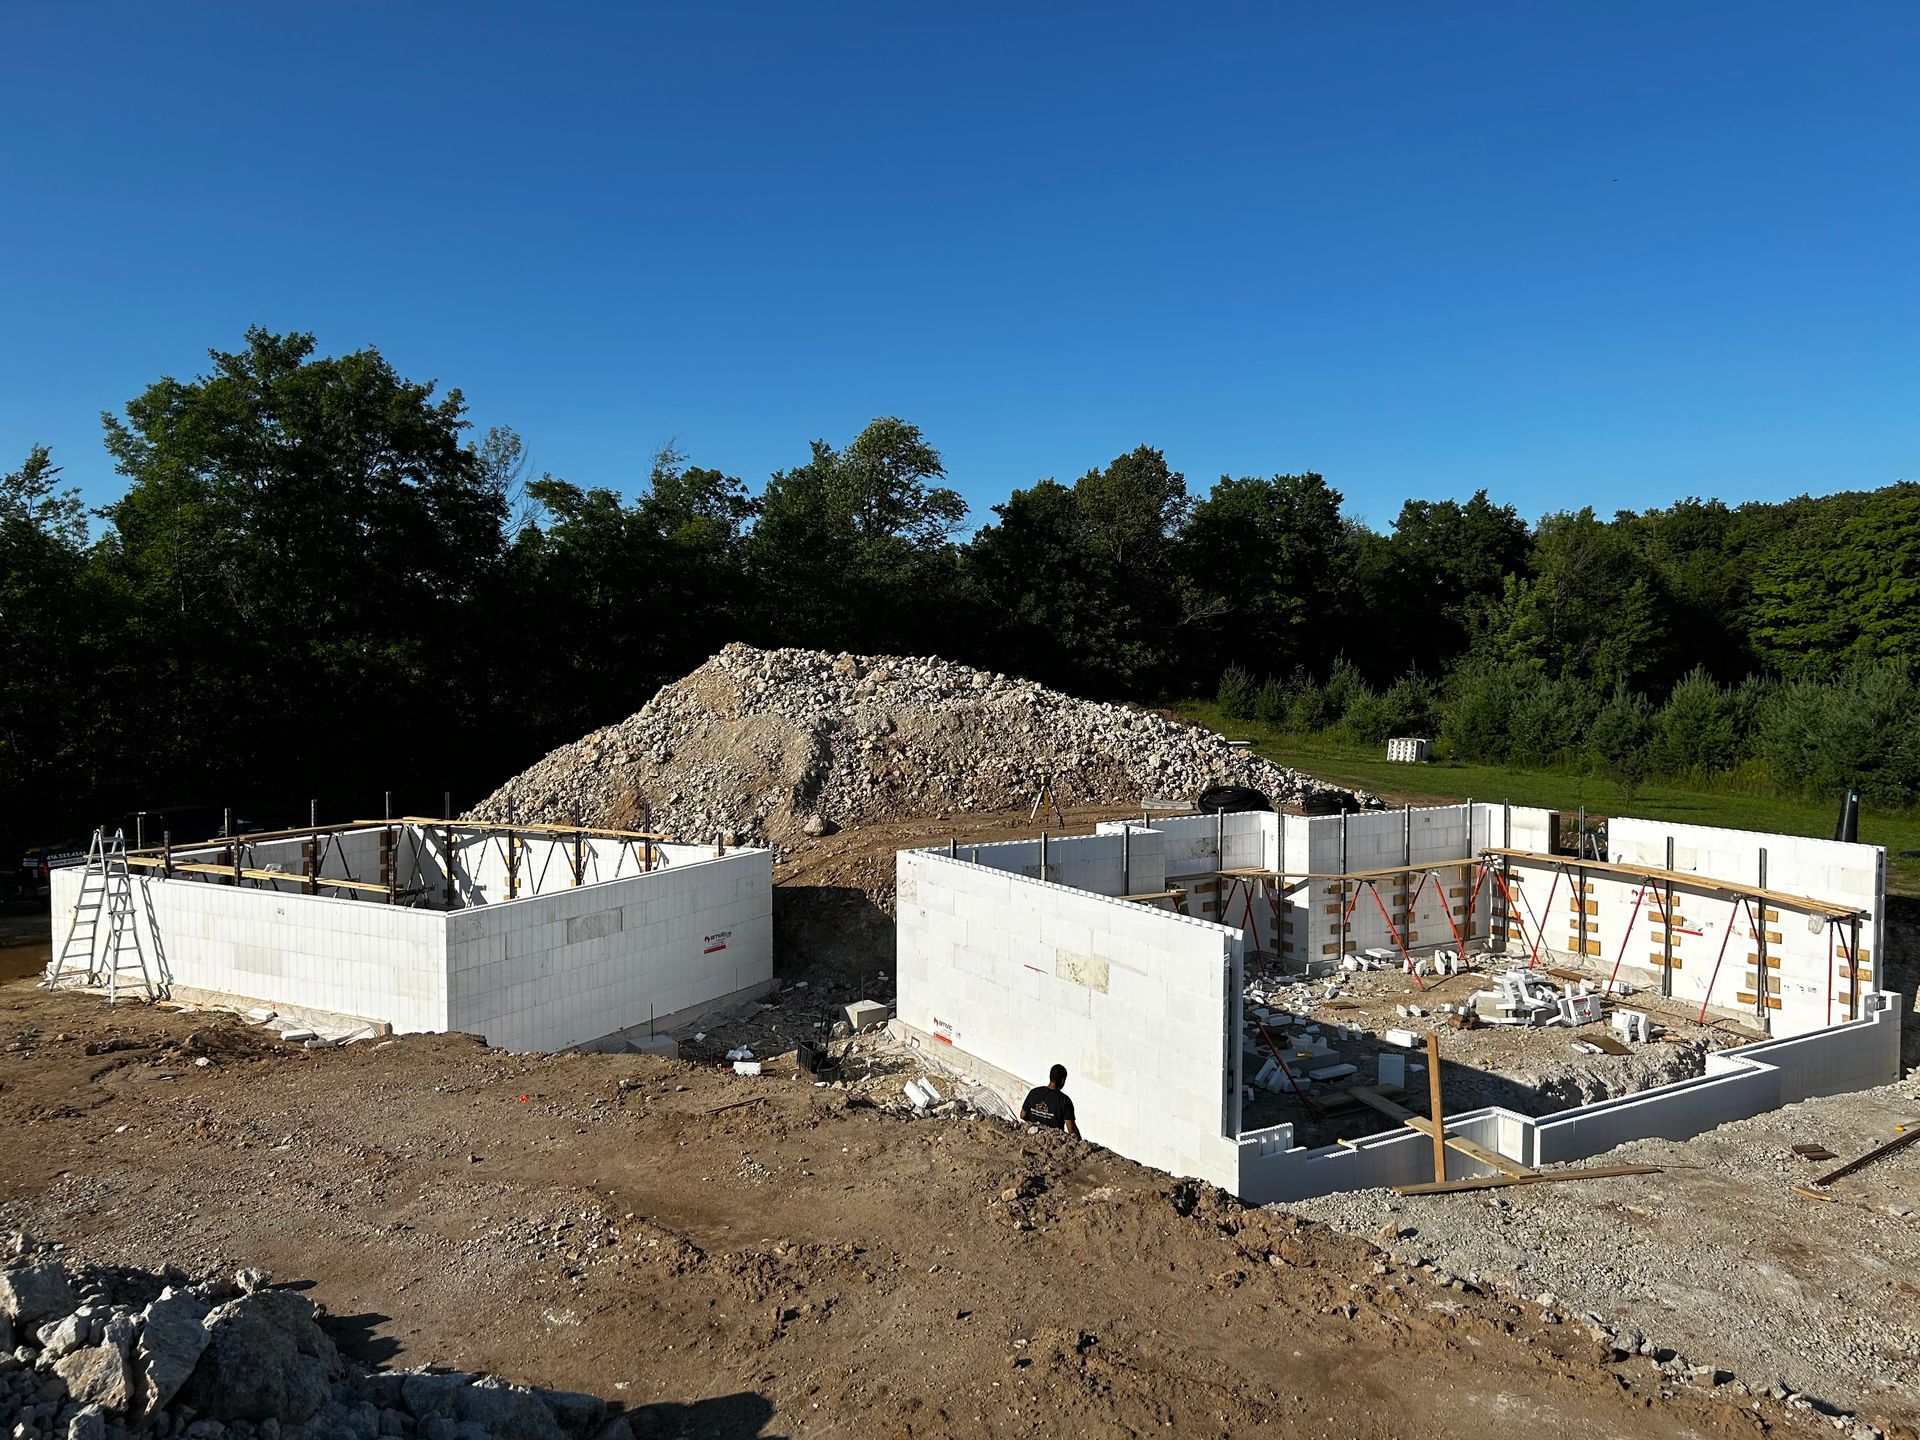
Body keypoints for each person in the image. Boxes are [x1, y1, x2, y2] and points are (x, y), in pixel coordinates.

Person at [1020, 1063, 1079, 1138]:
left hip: (1032, 1138)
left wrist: (1034, 1125)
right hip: (1053, 1142)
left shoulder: (1034, 1092)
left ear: (1050, 1077)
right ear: (1063, 1080)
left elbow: (1022, 1115)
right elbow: (1072, 1130)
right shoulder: (1064, 1100)